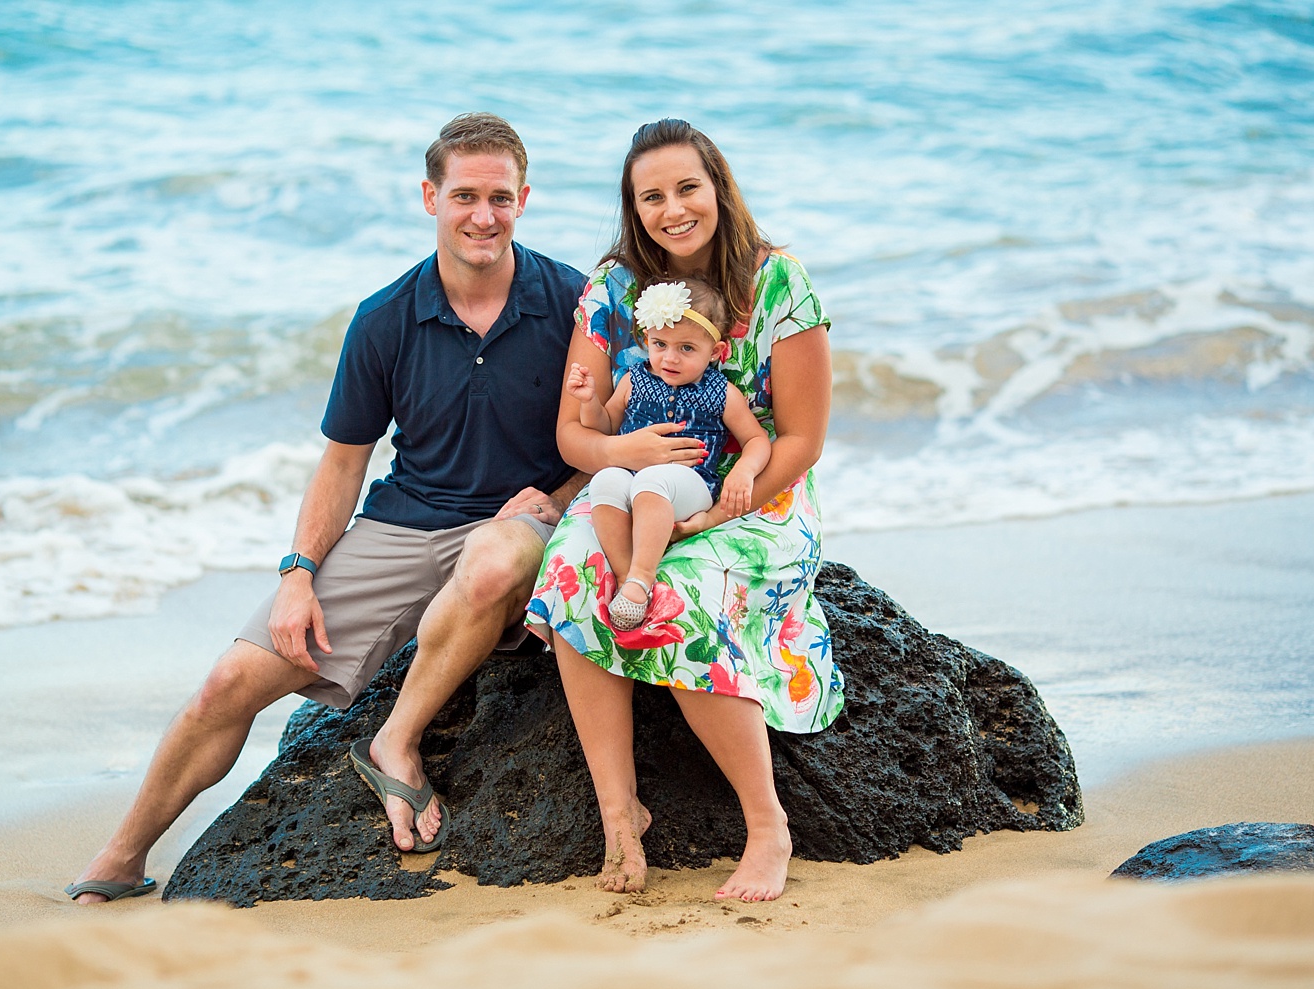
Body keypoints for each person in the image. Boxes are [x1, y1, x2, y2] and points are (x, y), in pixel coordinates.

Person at [66, 112, 587, 903]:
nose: (484, 216)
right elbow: (344, 462)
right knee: (227, 683)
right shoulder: (385, 318)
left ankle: (395, 745)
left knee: (498, 557)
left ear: (525, 199)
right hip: (403, 524)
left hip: (520, 529)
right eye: (465, 196)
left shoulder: (575, 303)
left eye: (502, 198)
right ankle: (124, 853)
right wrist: (300, 572)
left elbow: (614, 434)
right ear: (429, 197)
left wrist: (554, 500)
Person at [526, 118, 840, 904]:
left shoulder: (779, 283)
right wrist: (623, 453)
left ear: (717, 188)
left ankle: (768, 827)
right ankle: (619, 815)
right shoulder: (612, 289)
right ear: (634, 208)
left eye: (687, 188)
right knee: (570, 570)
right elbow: (575, 433)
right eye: (652, 196)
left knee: (681, 594)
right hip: (633, 487)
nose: (673, 210)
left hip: (754, 497)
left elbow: (802, 439)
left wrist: (727, 508)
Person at [564, 277, 770, 630]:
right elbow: (605, 425)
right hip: (635, 478)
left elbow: (757, 440)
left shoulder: (720, 393)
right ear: (647, 341)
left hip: (690, 484)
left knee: (652, 480)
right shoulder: (634, 380)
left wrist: (743, 472)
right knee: (607, 479)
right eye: (660, 344)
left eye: (687, 348)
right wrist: (588, 402)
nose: (670, 358)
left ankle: (642, 578)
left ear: (716, 352)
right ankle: (628, 575)